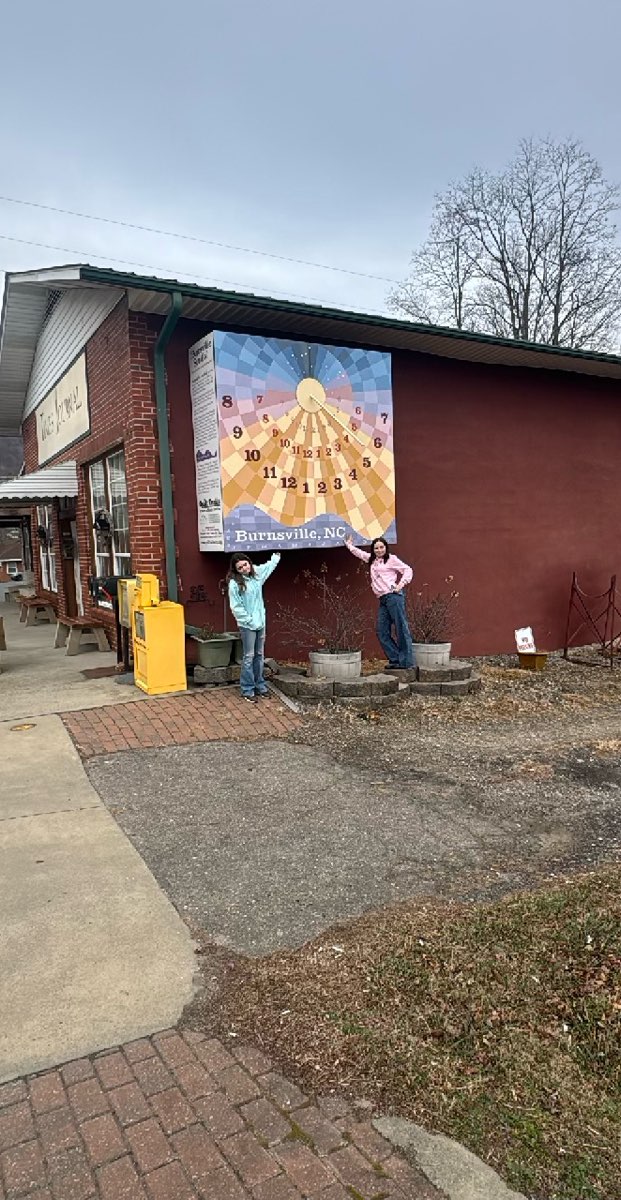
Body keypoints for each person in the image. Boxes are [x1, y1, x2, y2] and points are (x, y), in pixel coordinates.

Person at [345, 535, 414, 669]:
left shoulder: (391, 559)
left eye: (381, 547)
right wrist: (349, 545)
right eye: (376, 548)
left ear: (386, 548)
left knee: (401, 628)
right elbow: (359, 553)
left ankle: (406, 662)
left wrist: (400, 585)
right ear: (373, 550)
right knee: (381, 631)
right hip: (383, 599)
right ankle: (395, 659)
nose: (379, 550)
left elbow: (407, 570)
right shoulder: (372, 560)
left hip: (393, 597)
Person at [227, 551, 281, 702]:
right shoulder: (235, 584)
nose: (244, 568)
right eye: (240, 567)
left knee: (259, 655)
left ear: (249, 562)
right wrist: (249, 620)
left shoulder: (256, 575)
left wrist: (275, 558)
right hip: (247, 626)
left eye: (245, 564)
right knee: (249, 656)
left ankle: (260, 685)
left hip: (260, 622)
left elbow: (267, 568)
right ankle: (247, 689)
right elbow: (236, 607)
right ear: (236, 570)